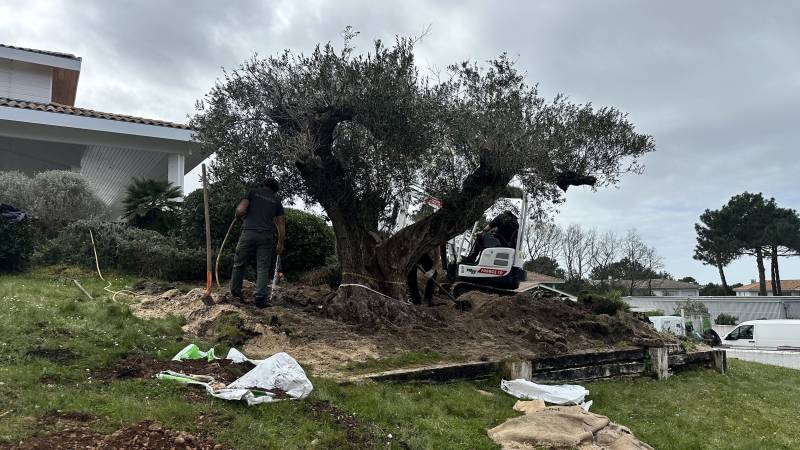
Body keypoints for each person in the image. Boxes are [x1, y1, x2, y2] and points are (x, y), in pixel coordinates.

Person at [229, 178, 285, 308]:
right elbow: (281, 224)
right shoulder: (276, 201)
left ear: (263, 185)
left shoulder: (252, 192)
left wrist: (239, 217)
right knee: (263, 267)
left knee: (239, 263)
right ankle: (260, 298)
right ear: (275, 190)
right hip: (266, 236)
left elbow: (240, 210)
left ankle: (236, 294)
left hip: (248, 233)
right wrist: (280, 243)